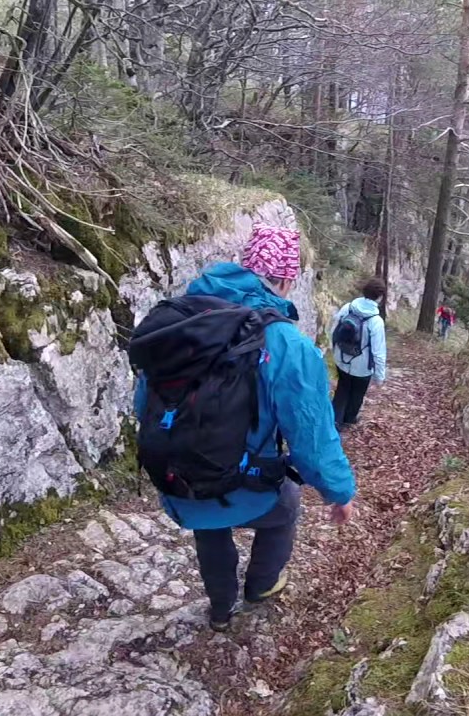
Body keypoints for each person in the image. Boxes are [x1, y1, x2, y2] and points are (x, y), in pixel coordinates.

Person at [129, 224, 357, 632]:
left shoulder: (184, 320)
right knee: (285, 507)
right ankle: (262, 585)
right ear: (288, 279)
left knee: (208, 524)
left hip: (182, 476)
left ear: (245, 265)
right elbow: (311, 434)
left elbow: (143, 402)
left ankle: (220, 607)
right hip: (248, 481)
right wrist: (339, 491)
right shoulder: (286, 343)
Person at [330, 278, 388, 429]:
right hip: (362, 367)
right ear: (380, 297)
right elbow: (378, 352)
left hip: (341, 358)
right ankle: (349, 419)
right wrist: (379, 376)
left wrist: (334, 350)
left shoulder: (348, 308)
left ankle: (334, 419)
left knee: (342, 387)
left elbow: (333, 329)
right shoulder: (376, 321)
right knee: (358, 392)